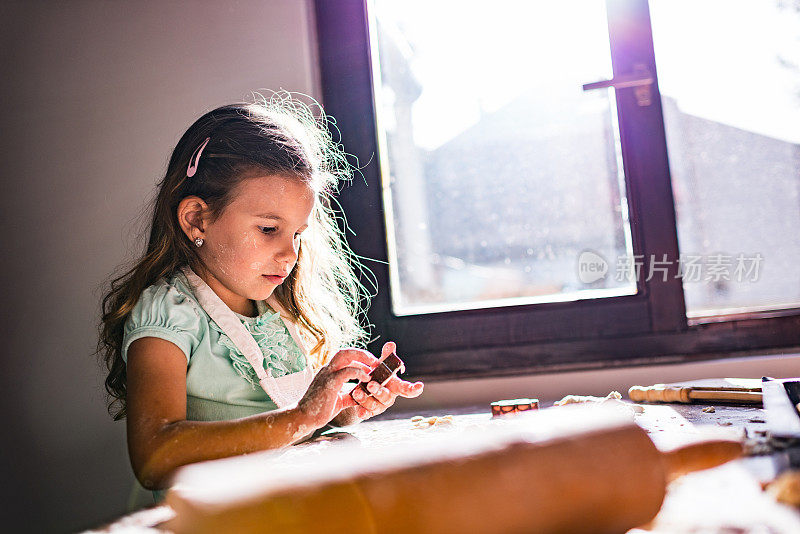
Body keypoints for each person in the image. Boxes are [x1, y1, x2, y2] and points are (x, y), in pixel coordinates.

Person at [96, 93, 424, 503]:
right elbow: (153, 458)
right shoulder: (168, 313)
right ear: (197, 218)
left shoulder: (280, 310)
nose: (290, 254)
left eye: (298, 234)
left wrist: (340, 408)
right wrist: (301, 417)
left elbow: (289, 425)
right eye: (269, 230)